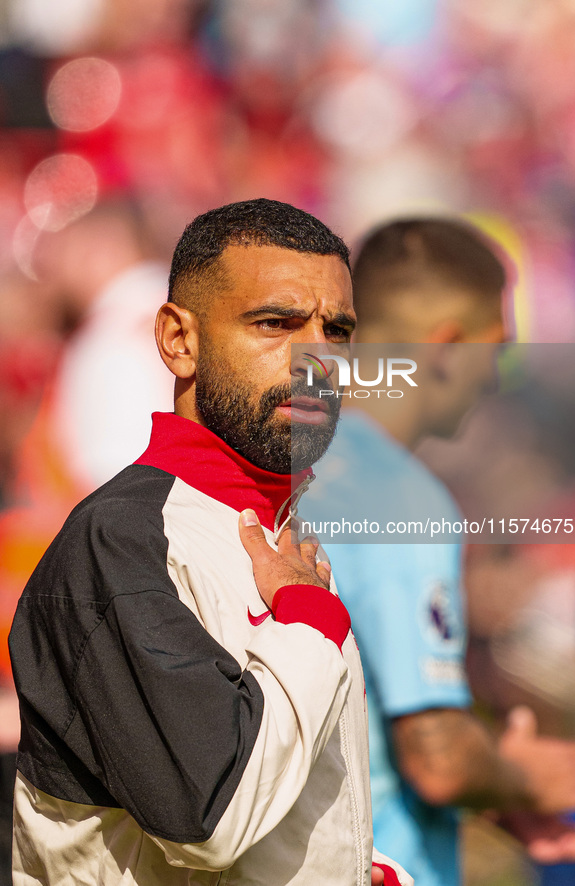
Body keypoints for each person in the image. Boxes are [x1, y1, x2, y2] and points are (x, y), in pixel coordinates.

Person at [8, 198, 411, 886]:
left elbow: (276, 826)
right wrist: (309, 622)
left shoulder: (291, 524)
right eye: (274, 323)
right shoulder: (121, 541)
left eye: (336, 330)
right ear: (178, 340)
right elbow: (213, 819)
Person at [301, 217, 575, 886]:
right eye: (497, 349)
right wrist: (527, 776)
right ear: (445, 346)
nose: (492, 379)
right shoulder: (399, 498)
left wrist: (492, 792)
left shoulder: (280, 461)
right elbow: (436, 755)